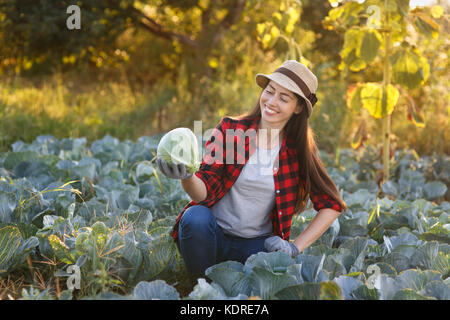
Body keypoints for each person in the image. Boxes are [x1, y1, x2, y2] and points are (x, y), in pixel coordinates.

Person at [156, 60, 347, 279]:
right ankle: (199, 286)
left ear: (298, 108)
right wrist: (187, 176)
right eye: (270, 91)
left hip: (254, 247)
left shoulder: (298, 151)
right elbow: (204, 191)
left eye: (283, 98)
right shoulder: (232, 131)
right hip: (211, 235)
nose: (271, 101)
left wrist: (295, 247)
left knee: (269, 276)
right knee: (194, 218)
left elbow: (331, 205)